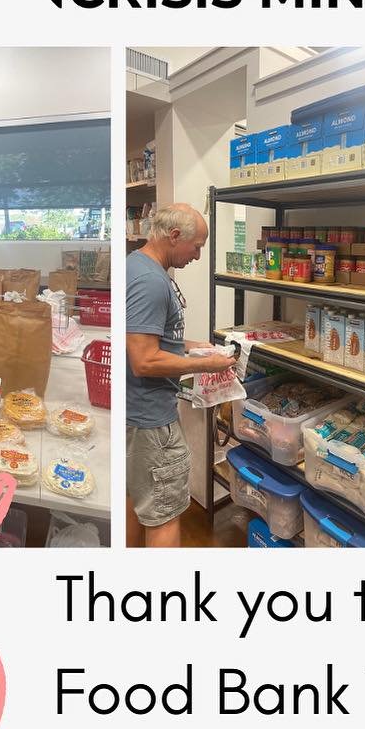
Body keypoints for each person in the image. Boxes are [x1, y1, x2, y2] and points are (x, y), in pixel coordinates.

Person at [125, 203, 233, 547]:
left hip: (136, 415)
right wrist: (207, 365)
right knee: (164, 515)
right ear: (174, 237)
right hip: (152, 419)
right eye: (197, 246)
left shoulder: (137, 265)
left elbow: (146, 337)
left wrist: (186, 346)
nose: (198, 256)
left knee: (138, 501)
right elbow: (143, 360)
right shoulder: (151, 281)